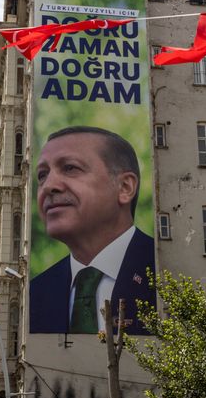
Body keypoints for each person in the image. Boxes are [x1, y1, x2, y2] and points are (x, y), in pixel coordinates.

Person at [29, 126, 156, 335]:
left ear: (125, 187)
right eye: (42, 175)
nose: (48, 186)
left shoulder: (166, 273)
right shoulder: (36, 292)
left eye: (70, 168)